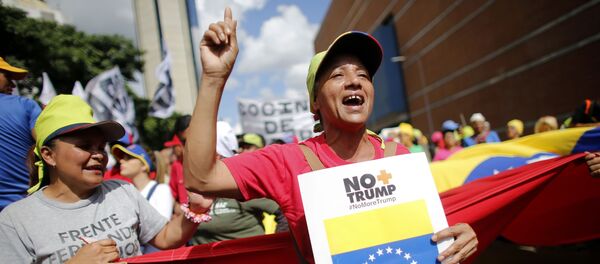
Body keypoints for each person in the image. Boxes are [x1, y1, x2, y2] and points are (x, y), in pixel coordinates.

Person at [183, 8, 477, 264]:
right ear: (315, 102)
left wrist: (458, 237)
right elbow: (201, 178)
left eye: (363, 75)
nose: (353, 82)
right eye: (337, 75)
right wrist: (213, 78)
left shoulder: (399, 158)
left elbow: (430, 237)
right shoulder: (288, 161)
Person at [0, 95, 213, 263]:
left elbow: (166, 237)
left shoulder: (122, 191)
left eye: (101, 147)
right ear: (49, 155)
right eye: (84, 146)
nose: (99, 155)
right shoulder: (14, 221)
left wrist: (196, 209)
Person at [190, 121, 283, 244]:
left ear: (217, 155)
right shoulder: (195, 185)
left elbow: (285, 213)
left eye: (202, 151)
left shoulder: (244, 181)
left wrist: (277, 249)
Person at [0, 57, 41, 212]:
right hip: (20, 206)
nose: (12, 84)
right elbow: (47, 144)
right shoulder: (25, 105)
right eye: (7, 77)